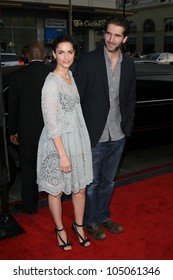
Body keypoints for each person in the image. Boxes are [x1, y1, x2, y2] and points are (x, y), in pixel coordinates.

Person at [74, 16, 136, 240]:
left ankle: (102, 216)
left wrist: (126, 127)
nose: (111, 39)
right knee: (90, 184)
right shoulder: (88, 61)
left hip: (118, 134)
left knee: (108, 182)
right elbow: (76, 100)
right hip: (94, 136)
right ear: (103, 35)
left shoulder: (128, 64)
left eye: (117, 35)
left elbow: (130, 97)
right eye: (108, 33)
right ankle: (89, 221)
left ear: (124, 38)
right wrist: (79, 133)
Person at [37, 34, 93, 250]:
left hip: (76, 140)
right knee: (57, 191)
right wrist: (62, 155)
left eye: (70, 52)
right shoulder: (51, 83)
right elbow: (51, 123)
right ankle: (60, 229)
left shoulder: (70, 75)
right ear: (54, 54)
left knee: (80, 188)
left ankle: (78, 226)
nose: (66, 56)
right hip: (57, 143)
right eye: (61, 52)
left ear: (74, 53)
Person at [8, 42, 52, 214]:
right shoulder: (52, 74)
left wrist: (13, 131)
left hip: (27, 134)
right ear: (43, 55)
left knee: (28, 171)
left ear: (27, 55)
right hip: (50, 133)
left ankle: (30, 206)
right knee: (51, 168)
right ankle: (56, 201)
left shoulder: (17, 76)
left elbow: (13, 107)